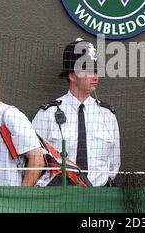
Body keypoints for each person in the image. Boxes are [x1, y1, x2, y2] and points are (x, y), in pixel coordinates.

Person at [32, 38, 120, 187]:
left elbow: (113, 165)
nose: (95, 76)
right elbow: (34, 159)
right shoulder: (47, 114)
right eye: (88, 71)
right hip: (59, 198)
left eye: (96, 70)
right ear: (72, 75)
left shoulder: (108, 115)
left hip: (99, 198)